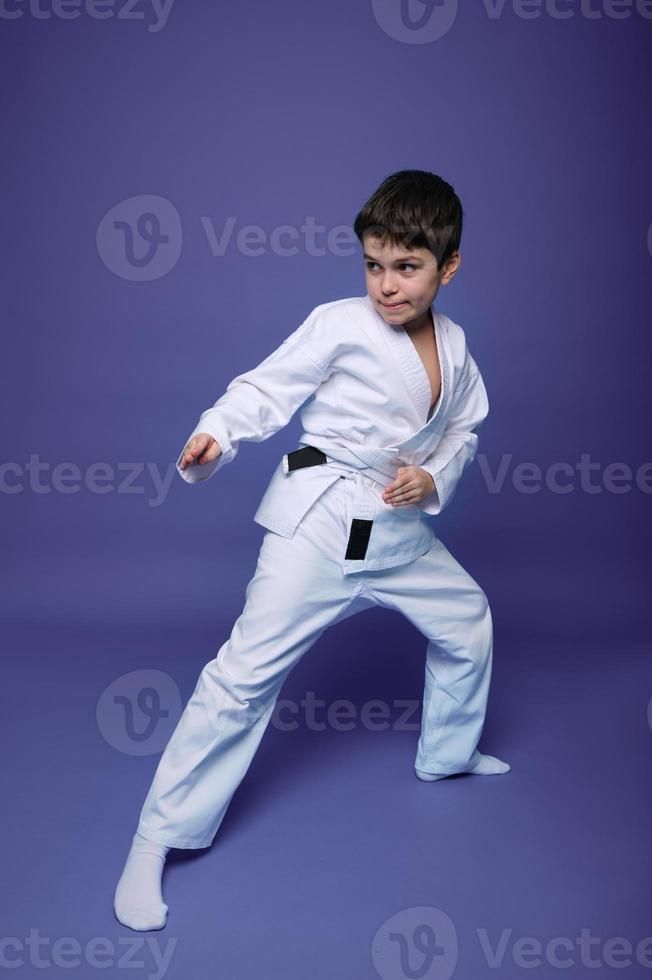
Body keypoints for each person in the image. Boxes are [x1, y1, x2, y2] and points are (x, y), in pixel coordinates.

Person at [114, 170, 510, 932]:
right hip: (323, 522)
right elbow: (264, 389)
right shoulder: (338, 323)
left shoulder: (456, 349)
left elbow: (465, 431)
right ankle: (154, 839)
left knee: (467, 620)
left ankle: (448, 754)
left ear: (448, 266)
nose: (386, 286)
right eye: (373, 264)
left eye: (407, 268)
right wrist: (217, 436)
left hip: (394, 529)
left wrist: (431, 475)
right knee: (242, 676)